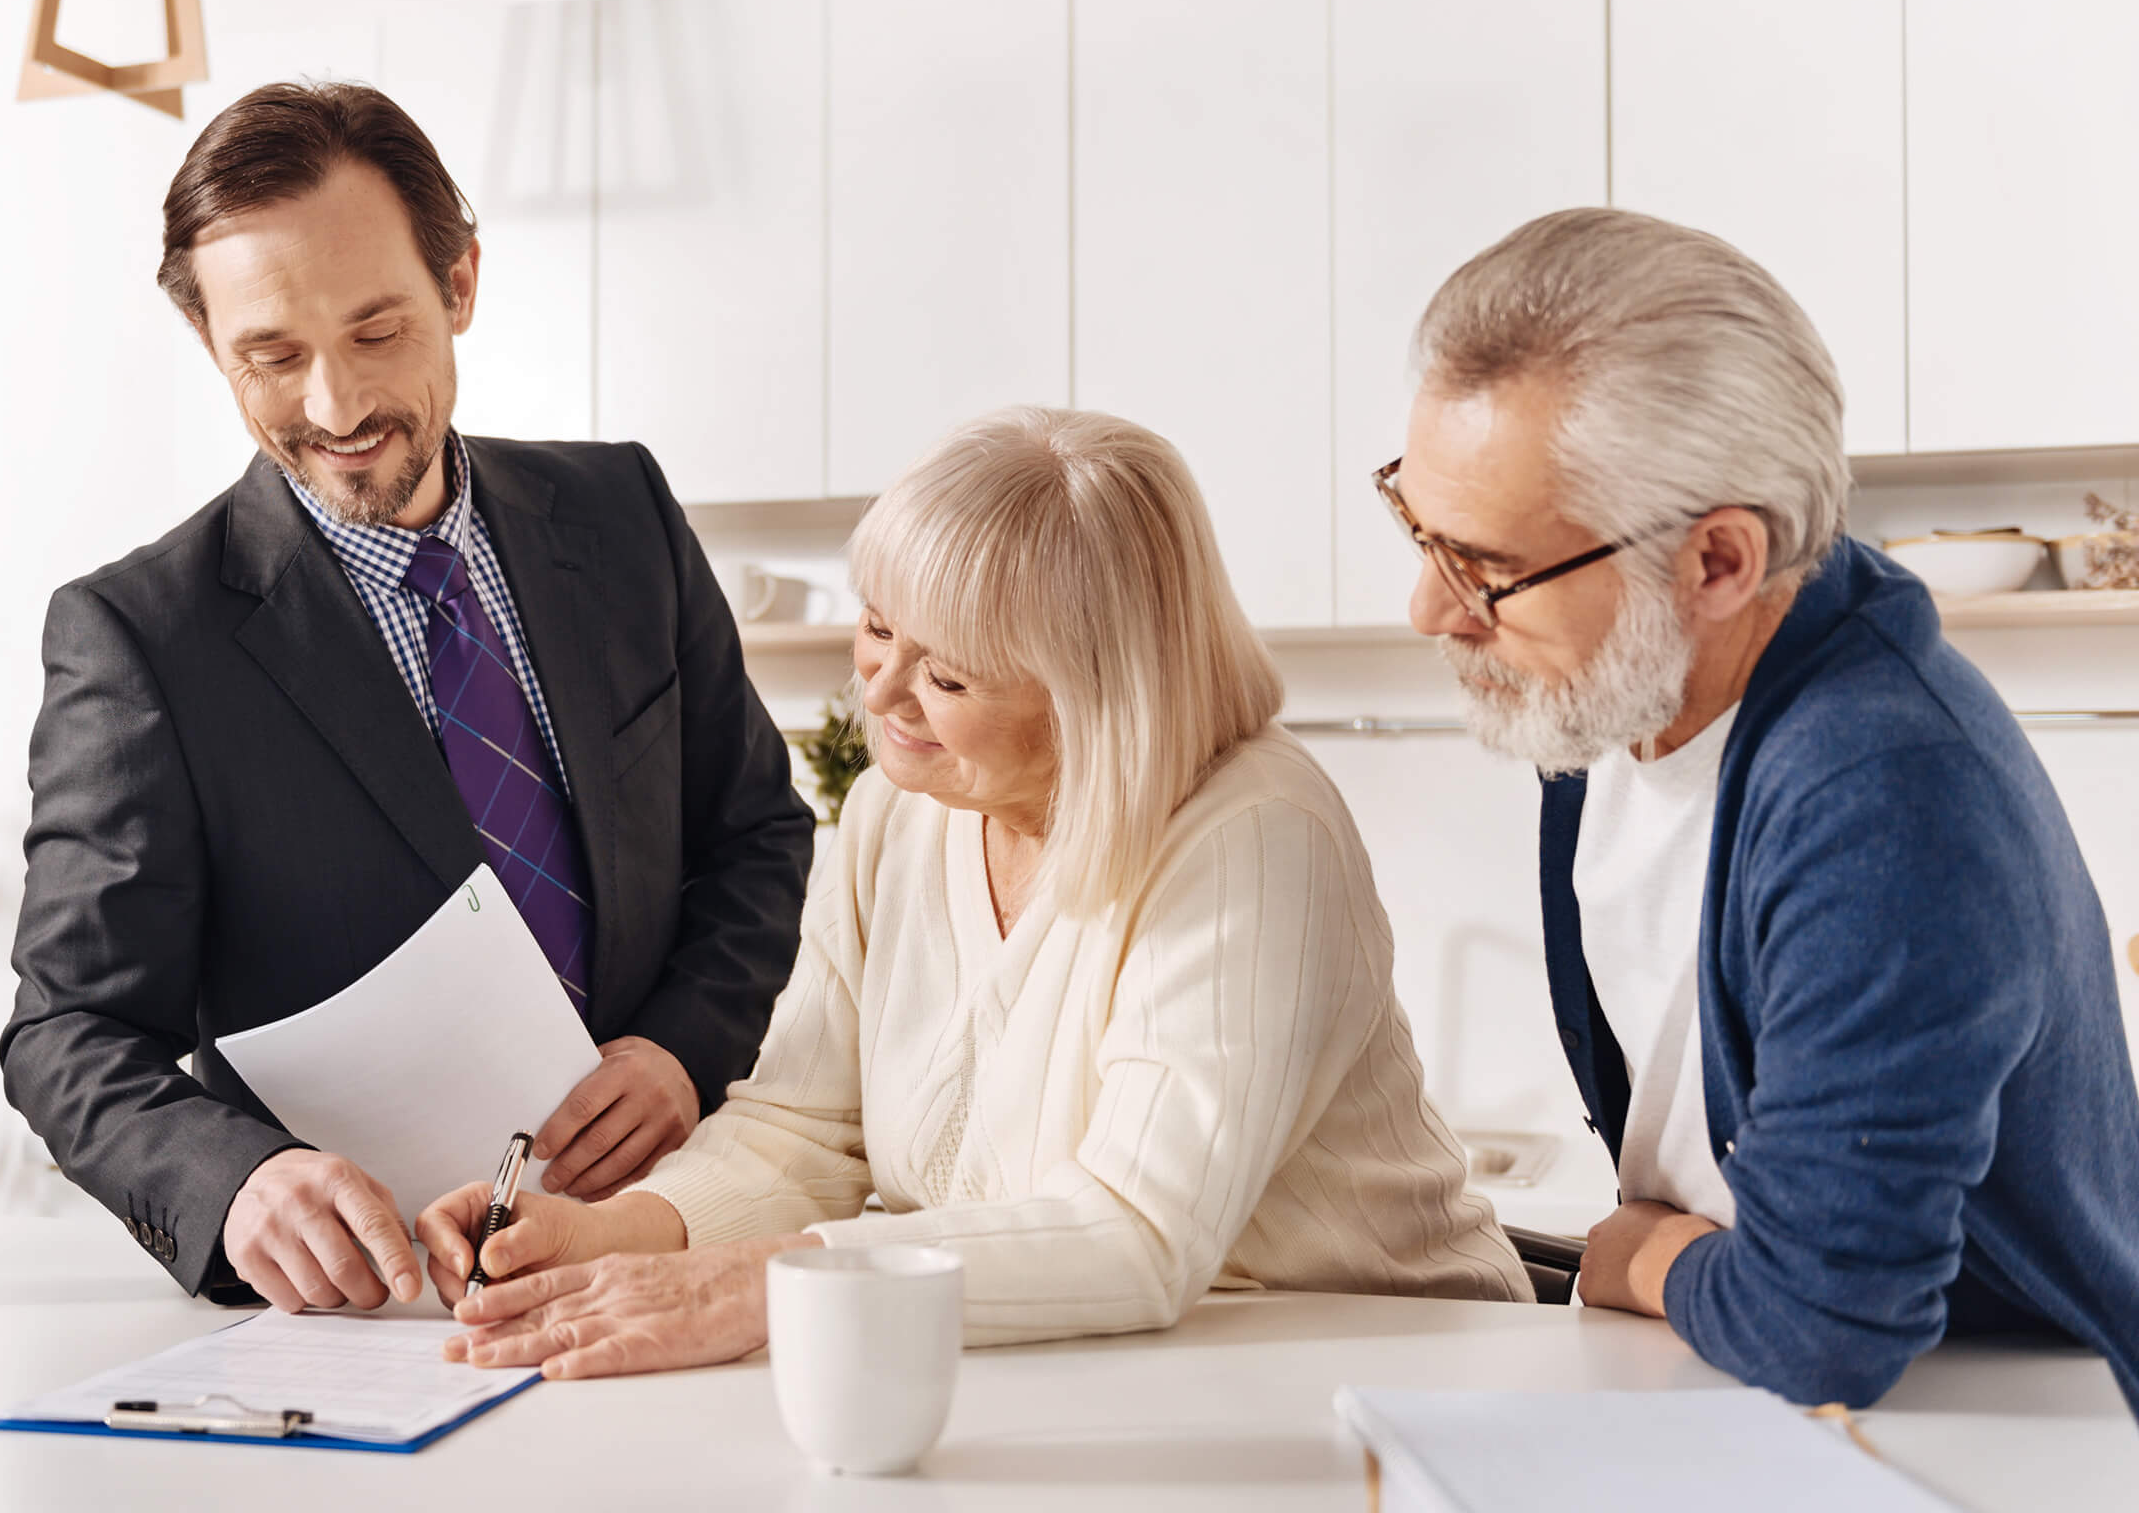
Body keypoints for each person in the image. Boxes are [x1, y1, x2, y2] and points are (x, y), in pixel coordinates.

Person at [417, 406, 1533, 1380]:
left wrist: (765, 1286)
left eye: (947, 675)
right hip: (1119, 1386)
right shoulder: (902, 813)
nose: (882, 693)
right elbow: (804, 1132)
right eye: (878, 628)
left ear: (1097, 694)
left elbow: (1135, 1232)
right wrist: (615, 1234)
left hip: (1376, 1382)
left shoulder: (1251, 835)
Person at [0, 82, 813, 1311]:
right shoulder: (139, 640)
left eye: (378, 331)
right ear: (210, 344)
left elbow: (756, 837)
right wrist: (241, 1184)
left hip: (664, 1242)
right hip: (372, 1313)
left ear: (461, 286)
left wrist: (680, 1050)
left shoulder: (625, 515)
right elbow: (69, 1034)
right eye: (270, 355)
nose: (336, 408)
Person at [1379, 207, 2139, 1409]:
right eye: (1416, 524)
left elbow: (1823, 1326)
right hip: (1750, 1390)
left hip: (1987, 1427)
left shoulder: (1886, 798)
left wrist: (1638, 1253)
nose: (1429, 605)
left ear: (1719, 563)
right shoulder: (1610, 680)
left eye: (1483, 567)